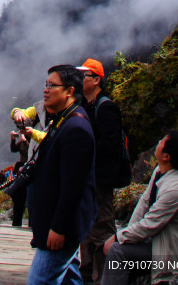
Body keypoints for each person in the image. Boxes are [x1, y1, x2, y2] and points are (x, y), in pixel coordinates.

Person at [27, 65, 97, 285]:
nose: (46, 90)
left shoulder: (75, 127)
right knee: (70, 279)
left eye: (52, 85)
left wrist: (58, 228)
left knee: (39, 281)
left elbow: (72, 187)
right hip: (57, 225)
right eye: (46, 85)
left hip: (59, 230)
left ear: (69, 91)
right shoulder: (63, 120)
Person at [101, 130, 178, 285]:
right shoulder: (160, 171)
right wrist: (124, 236)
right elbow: (144, 204)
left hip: (175, 253)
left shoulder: (174, 191)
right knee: (120, 246)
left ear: (167, 157)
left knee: (117, 251)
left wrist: (117, 238)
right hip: (159, 241)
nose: (158, 142)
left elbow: (149, 225)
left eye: (162, 141)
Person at [77, 59, 123, 284]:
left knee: (102, 227)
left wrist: (84, 146)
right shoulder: (87, 106)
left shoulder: (106, 108)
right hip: (89, 180)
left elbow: (110, 145)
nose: (80, 79)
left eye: (85, 75)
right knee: (86, 228)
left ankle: (105, 278)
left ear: (97, 80)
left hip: (101, 181)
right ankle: (87, 276)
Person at [10, 98, 50, 226]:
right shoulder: (40, 110)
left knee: (33, 198)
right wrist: (16, 112)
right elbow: (14, 149)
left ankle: (33, 225)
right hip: (28, 167)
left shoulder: (64, 117)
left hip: (40, 167)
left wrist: (31, 135)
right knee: (22, 198)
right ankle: (24, 223)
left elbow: (52, 139)